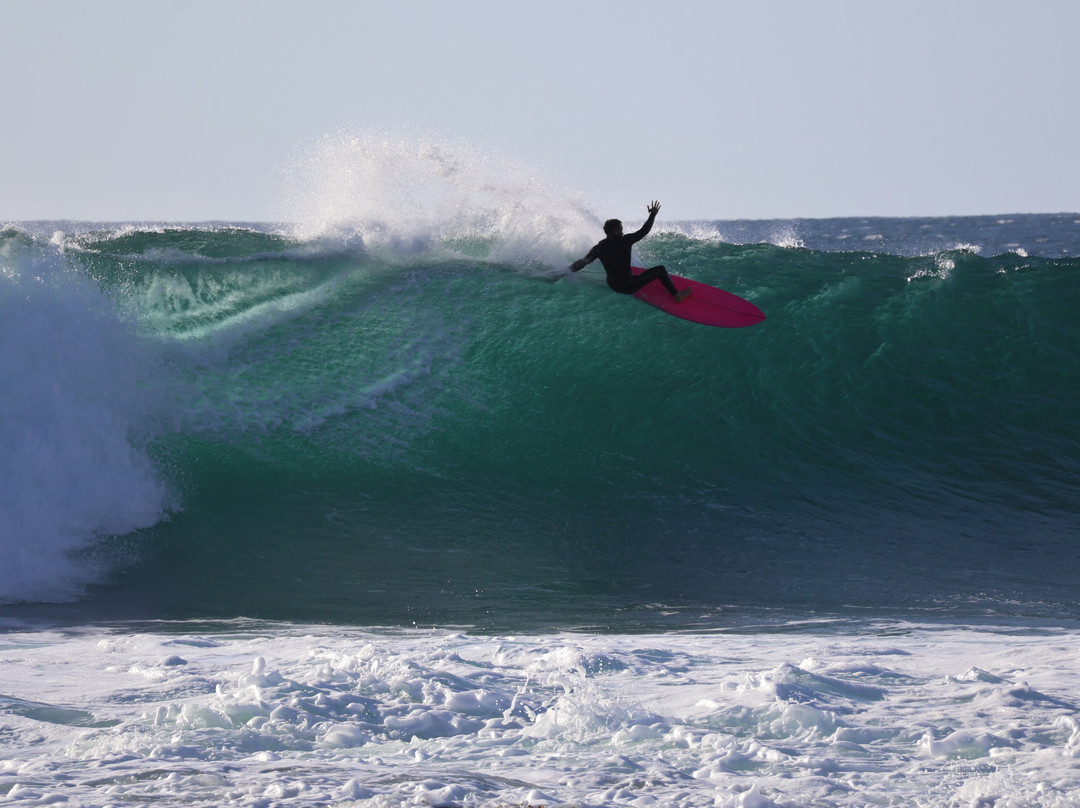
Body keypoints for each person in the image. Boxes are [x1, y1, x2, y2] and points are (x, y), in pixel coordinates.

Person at [569, 201, 691, 302]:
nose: (622, 231)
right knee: (660, 269)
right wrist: (653, 214)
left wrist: (566, 271)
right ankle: (677, 295)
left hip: (613, 286)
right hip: (629, 286)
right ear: (616, 229)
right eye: (621, 229)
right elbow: (644, 230)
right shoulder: (625, 240)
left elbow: (583, 262)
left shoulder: (599, 247)